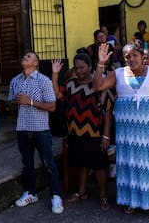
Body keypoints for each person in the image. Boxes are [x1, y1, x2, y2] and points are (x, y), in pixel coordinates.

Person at [93, 42, 149, 220]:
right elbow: (98, 86)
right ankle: (132, 201)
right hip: (126, 132)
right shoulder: (118, 73)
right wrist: (101, 63)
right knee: (128, 164)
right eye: (127, 56)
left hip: (148, 131)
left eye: (134, 55)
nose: (131, 59)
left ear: (142, 57)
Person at [52, 53, 113, 211]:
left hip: (95, 133)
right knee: (81, 163)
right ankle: (82, 191)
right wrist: (55, 74)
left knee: (99, 166)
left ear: (90, 67)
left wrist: (106, 135)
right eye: (76, 68)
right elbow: (57, 94)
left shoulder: (98, 84)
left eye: (82, 68)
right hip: (75, 132)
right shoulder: (71, 84)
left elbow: (107, 111)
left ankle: (103, 195)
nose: (79, 71)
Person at [8, 52, 64, 214]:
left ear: (35, 63)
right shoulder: (15, 80)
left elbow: (52, 106)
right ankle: (30, 193)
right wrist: (13, 103)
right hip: (22, 128)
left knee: (49, 164)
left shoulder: (43, 81)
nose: (24, 58)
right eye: (24, 56)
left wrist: (30, 102)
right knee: (27, 164)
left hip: (40, 129)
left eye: (29, 57)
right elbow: (12, 104)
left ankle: (55, 195)